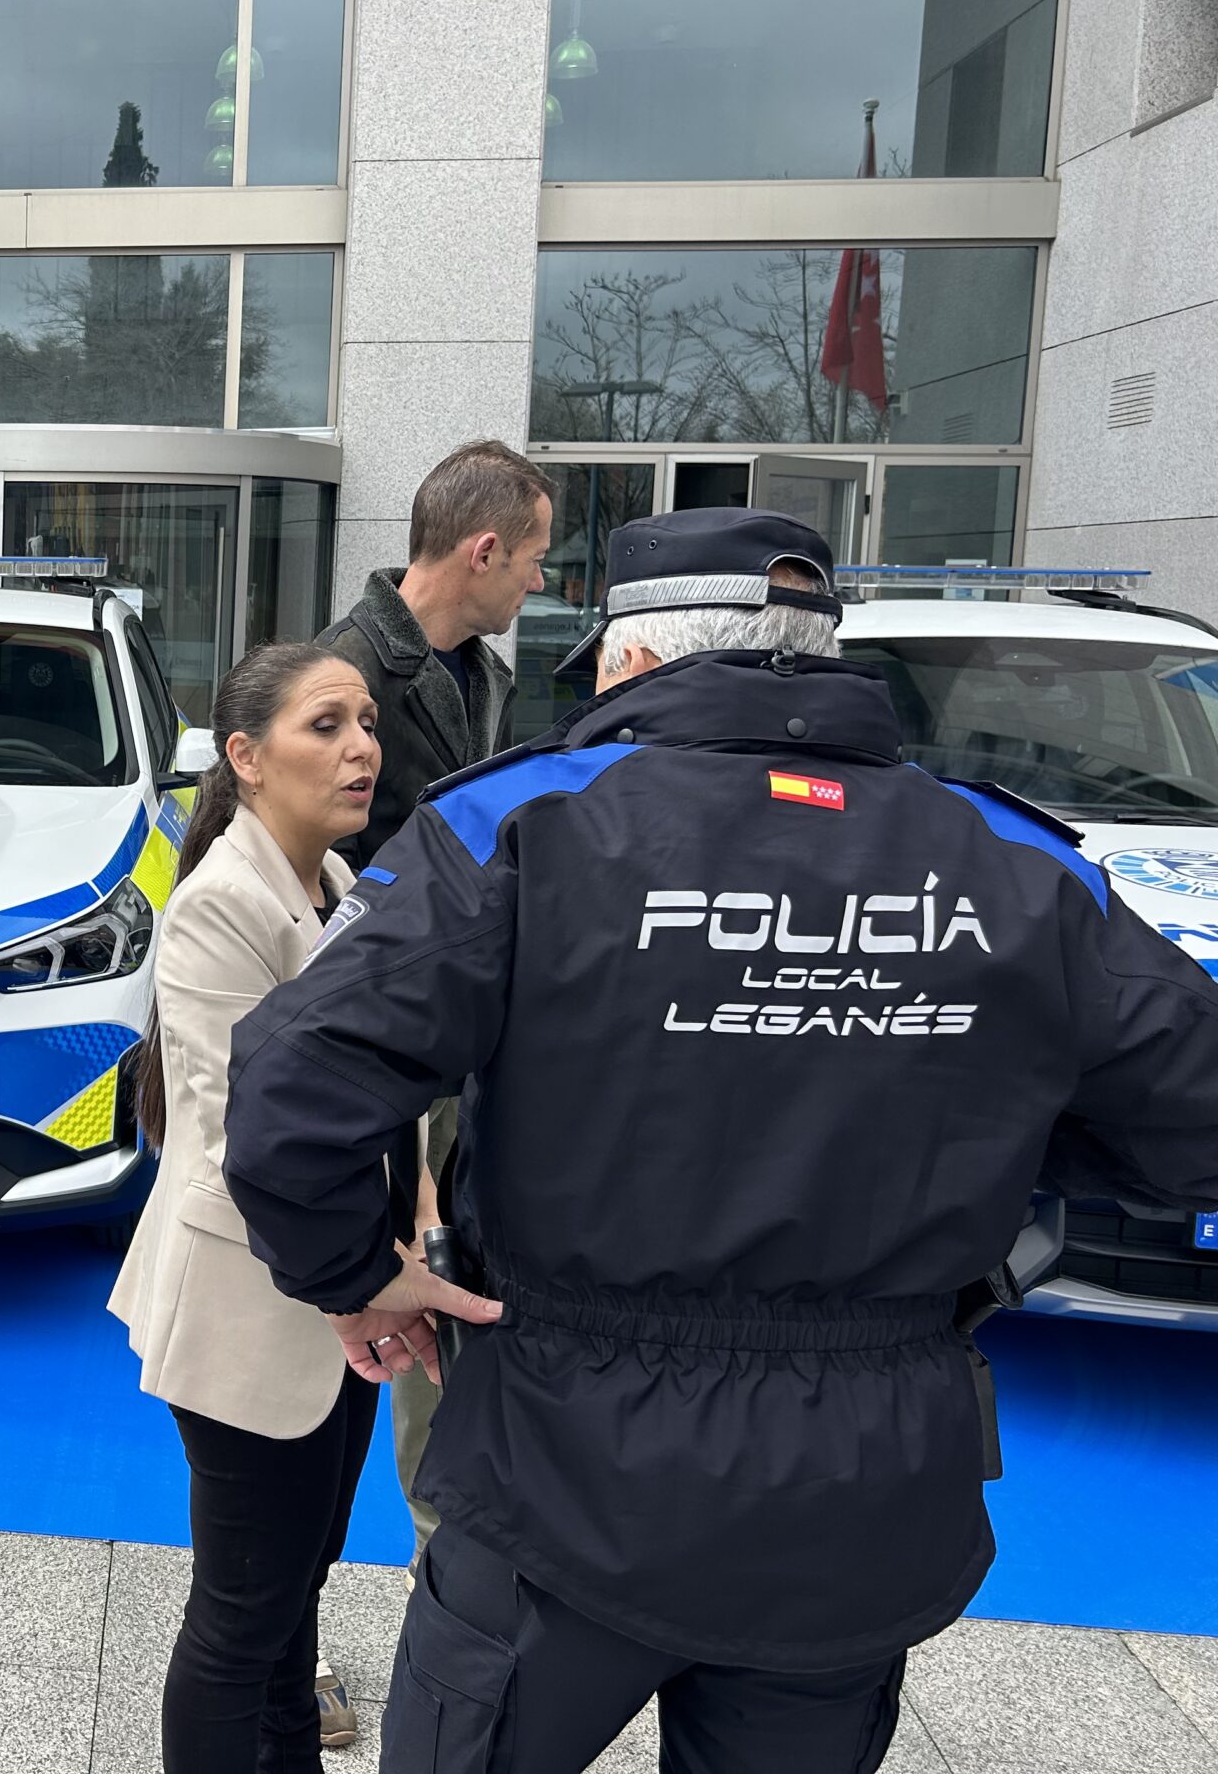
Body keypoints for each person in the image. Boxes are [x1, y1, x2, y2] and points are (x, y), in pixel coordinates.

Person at [222, 508, 1218, 1772]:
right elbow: (1191, 1123)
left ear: (634, 660)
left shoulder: (522, 823)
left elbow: (291, 1085)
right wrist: (992, 1135)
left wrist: (352, 1275)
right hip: (864, 1483)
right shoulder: (1016, 861)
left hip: (565, 1469)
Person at [108, 642, 385, 1772]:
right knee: (239, 1621)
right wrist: (365, 1283)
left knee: (293, 1593)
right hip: (252, 1309)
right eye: (326, 725)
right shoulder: (222, 901)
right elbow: (245, 1143)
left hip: (336, 1305)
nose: (361, 748)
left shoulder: (336, 886)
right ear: (246, 756)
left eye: (366, 723)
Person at [314, 438, 554, 1561]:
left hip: (463, 1042)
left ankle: (448, 1563)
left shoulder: (485, 676)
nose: (541, 582)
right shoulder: (340, 671)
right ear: (484, 550)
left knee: (439, 1289)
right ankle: (391, 1577)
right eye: (536, 557)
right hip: (372, 1048)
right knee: (367, 1316)